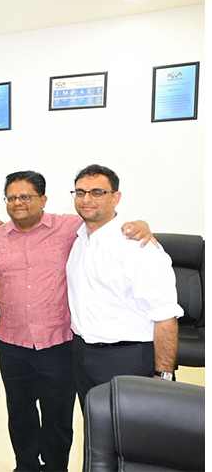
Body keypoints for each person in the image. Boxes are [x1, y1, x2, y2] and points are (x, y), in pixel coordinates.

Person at [0, 170, 153, 472]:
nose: (18, 203)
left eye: (25, 196)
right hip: (12, 341)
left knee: (57, 414)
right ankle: (25, 465)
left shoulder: (70, 227)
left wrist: (142, 226)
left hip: (58, 341)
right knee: (19, 411)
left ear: (43, 199)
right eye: (11, 198)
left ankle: (56, 466)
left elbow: (105, 224)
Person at [66, 164, 183, 410]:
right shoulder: (79, 240)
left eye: (97, 192)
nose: (87, 199)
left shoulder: (138, 248)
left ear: (115, 197)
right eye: (80, 192)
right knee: (96, 431)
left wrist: (164, 376)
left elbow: (165, 317)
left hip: (127, 358)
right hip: (82, 354)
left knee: (132, 438)